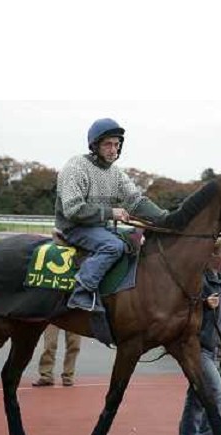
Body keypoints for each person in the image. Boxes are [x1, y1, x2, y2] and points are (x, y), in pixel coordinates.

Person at [55, 118, 168, 312]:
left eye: (117, 144)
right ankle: (82, 291)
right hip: (74, 228)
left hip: (99, 228)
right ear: (95, 146)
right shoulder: (76, 167)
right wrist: (110, 213)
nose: (113, 149)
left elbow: (136, 201)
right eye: (108, 144)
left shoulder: (116, 174)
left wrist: (166, 218)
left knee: (137, 237)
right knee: (113, 246)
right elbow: (73, 210)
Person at [176, 237, 221, 435]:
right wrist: (203, 304)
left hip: (210, 348)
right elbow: (180, 310)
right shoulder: (197, 280)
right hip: (196, 348)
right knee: (216, 393)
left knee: (196, 398)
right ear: (212, 256)